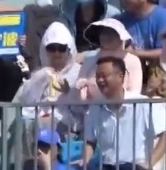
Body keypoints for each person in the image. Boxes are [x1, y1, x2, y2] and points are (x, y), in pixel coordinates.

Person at [13, 22, 80, 155]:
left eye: (61, 48)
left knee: (46, 124)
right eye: (51, 48)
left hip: (67, 124)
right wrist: (39, 80)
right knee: (26, 124)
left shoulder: (78, 72)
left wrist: (69, 92)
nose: (56, 52)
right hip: (38, 121)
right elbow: (25, 101)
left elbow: (83, 107)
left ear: (69, 49)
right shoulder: (40, 74)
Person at [81, 56, 153, 170]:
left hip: (136, 165)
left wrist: (149, 163)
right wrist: (84, 162)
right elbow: (90, 141)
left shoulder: (142, 103)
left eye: (104, 76)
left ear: (120, 76)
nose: (100, 80)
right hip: (107, 166)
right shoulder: (95, 107)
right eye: (97, 76)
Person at [52, 0, 122, 50]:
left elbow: (117, 45)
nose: (86, 8)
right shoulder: (67, 16)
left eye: (89, 3)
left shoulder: (112, 15)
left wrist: (88, 55)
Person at [76, 19, 144, 98]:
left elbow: (135, 92)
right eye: (103, 33)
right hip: (92, 104)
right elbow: (79, 84)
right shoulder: (89, 60)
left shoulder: (133, 60)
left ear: (121, 36)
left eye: (111, 33)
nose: (105, 36)